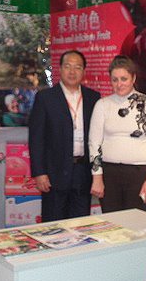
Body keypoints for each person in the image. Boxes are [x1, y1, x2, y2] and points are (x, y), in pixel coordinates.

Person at [28, 50, 101, 222]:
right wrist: (39, 173)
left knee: (80, 224)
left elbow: (98, 138)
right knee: (53, 224)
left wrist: (97, 173)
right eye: (68, 66)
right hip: (54, 173)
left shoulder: (93, 98)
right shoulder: (45, 98)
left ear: (84, 71)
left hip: (83, 172)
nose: (72, 71)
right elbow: (36, 139)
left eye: (77, 67)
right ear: (60, 69)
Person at [88, 55, 146, 213]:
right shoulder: (102, 105)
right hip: (109, 174)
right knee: (112, 223)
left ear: (133, 78)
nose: (119, 84)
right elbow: (94, 143)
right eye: (114, 80)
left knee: (137, 223)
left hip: (140, 174)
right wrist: (97, 177)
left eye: (124, 79)